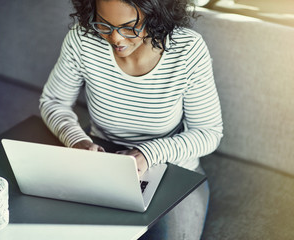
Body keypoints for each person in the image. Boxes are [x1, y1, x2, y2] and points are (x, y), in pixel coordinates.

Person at [39, 0, 223, 239]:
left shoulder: (187, 49)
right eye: (104, 24)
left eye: (129, 27)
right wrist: (76, 141)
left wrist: (147, 154)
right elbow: (53, 101)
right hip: (103, 162)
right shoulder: (82, 40)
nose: (116, 39)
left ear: (156, 16)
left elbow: (209, 133)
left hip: (174, 169)